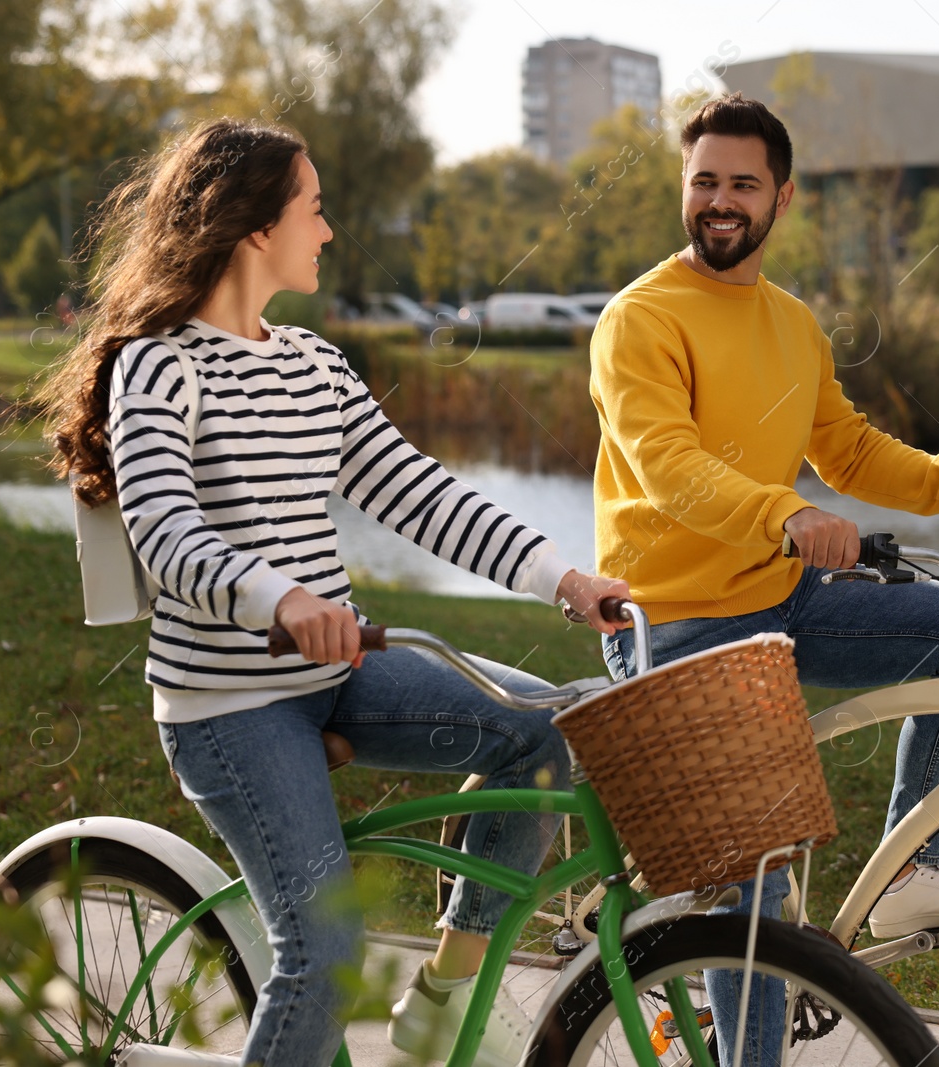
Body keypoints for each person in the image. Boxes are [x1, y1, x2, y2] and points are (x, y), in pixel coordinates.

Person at [41, 117, 627, 1067]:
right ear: (255, 227)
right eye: (313, 210)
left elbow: (419, 492)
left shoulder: (312, 363)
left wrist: (563, 579)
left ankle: (446, 989)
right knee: (325, 950)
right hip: (228, 704)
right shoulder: (157, 365)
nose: (327, 229)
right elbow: (165, 532)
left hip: (339, 667)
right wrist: (278, 598)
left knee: (548, 729)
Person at [589, 93, 939, 1066]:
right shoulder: (638, 319)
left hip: (781, 597)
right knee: (754, 899)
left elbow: (847, 449)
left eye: (741, 183)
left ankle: (918, 864)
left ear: (780, 197)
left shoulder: (792, 323)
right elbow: (666, 462)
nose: (719, 200)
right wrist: (783, 513)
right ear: (684, 187)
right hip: (673, 625)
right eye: (703, 180)